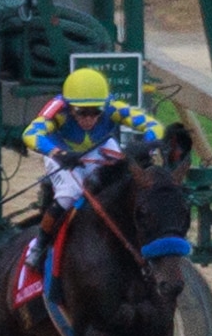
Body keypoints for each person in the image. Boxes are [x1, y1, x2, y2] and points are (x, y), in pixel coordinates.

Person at [19, 66, 159, 282]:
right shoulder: (57, 108)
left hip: (99, 146)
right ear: (70, 108)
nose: (89, 118)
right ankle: (40, 245)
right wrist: (59, 153)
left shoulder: (113, 107)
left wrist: (147, 145)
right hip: (62, 151)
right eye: (82, 112)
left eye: (96, 112)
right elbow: (30, 133)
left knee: (123, 182)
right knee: (70, 194)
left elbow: (152, 125)